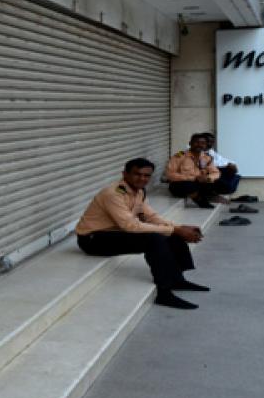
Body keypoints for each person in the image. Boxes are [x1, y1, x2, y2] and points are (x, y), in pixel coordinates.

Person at [75, 158, 209, 310]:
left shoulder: (138, 192)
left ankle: (177, 279)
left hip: (114, 233)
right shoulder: (113, 194)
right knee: (154, 239)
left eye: (146, 176)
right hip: (93, 239)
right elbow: (130, 226)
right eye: (137, 174)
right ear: (124, 174)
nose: (142, 179)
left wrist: (178, 228)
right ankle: (164, 293)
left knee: (170, 234)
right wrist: (176, 230)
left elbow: (151, 216)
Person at [166, 133, 221, 208]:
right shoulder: (180, 156)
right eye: (196, 142)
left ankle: (204, 195)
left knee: (215, 181)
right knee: (188, 185)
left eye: (202, 143)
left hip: (198, 183)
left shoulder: (206, 157)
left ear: (206, 145)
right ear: (190, 143)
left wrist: (208, 178)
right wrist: (193, 178)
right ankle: (200, 200)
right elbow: (170, 174)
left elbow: (216, 173)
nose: (199, 145)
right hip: (180, 184)